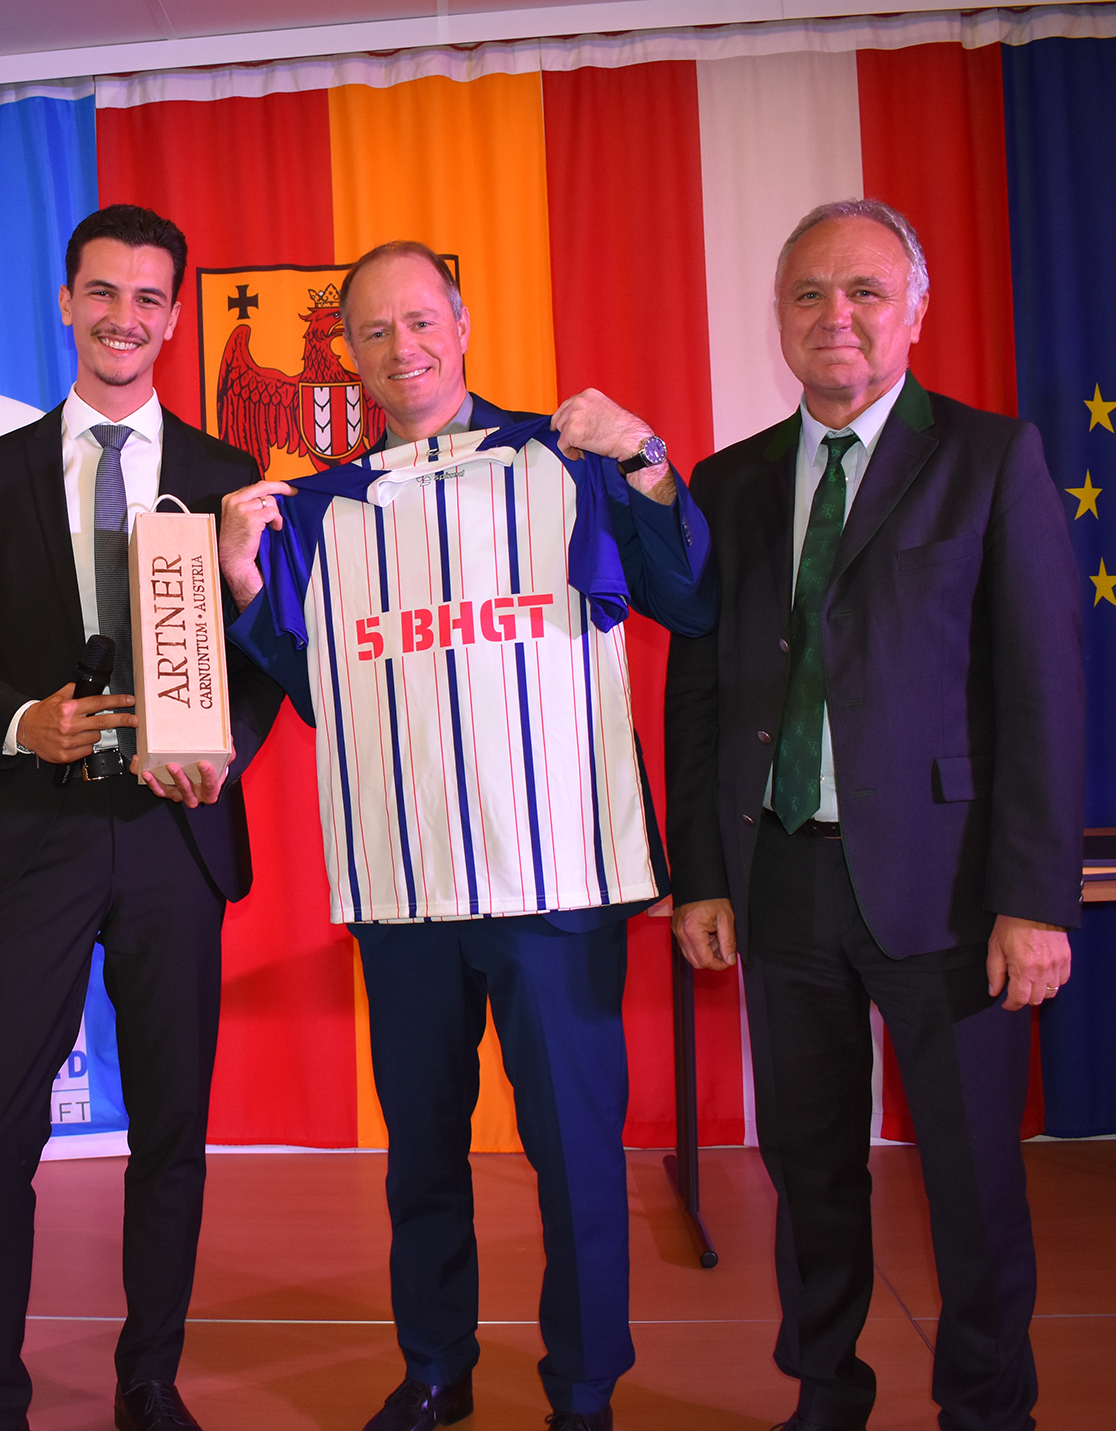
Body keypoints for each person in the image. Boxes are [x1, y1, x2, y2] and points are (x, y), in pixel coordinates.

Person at [219, 241, 716, 1431]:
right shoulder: (317, 513)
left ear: (461, 325)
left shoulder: (570, 461)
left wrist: (645, 457)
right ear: (349, 355)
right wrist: (240, 582)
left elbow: (689, 598)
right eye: (373, 331)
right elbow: (315, 689)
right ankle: (434, 1372)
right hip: (402, 887)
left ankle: (583, 1392)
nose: (401, 348)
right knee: (422, 1161)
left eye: (419, 321)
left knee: (575, 1157)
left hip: (555, 880)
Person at [664, 199, 1080, 1431]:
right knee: (808, 1171)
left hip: (948, 890)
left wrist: (1032, 901)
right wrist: (702, 873)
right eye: (807, 294)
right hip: (780, 879)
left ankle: (985, 1408)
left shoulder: (990, 459)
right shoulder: (728, 482)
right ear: (778, 316)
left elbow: (1040, 694)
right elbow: (699, 694)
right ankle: (823, 1397)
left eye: (862, 292)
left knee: (969, 1179)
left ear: (913, 311)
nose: (833, 316)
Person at [0, 203, 284, 1431]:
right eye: (103, 292)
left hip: (176, 839)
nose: (124, 317)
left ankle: (148, 1381)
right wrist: (20, 720)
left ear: (173, 317)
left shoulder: (225, 478)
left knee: (171, 1129)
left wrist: (224, 749)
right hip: (36, 836)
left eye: (148, 297)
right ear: (66, 302)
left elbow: (268, 655)